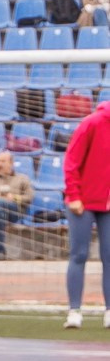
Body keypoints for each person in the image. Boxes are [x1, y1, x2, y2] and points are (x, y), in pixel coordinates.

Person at [62, 96, 110, 327]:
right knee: (79, 254)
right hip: (82, 202)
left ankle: (109, 311)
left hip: (108, 204)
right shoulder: (93, 122)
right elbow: (71, 159)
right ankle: (74, 310)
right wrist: (73, 195)